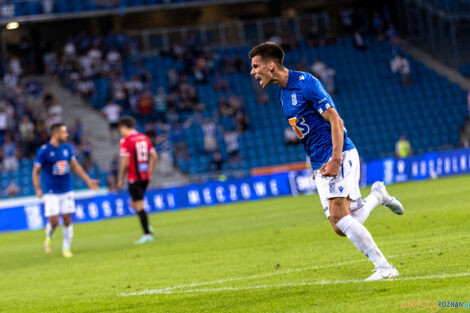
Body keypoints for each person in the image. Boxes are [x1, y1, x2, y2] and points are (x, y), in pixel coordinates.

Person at [249, 41, 405, 281]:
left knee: (341, 218)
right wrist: (317, 164)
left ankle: (385, 268)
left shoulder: (306, 84)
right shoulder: (283, 95)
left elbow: (336, 121)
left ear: (271, 65)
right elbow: (309, 133)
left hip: (339, 155)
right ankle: (378, 196)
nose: (253, 71)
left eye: (256, 65)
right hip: (321, 162)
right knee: (339, 225)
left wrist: (334, 159)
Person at [32, 123, 99, 258]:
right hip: (51, 192)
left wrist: (88, 180)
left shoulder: (67, 148)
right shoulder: (44, 151)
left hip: (67, 190)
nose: (67, 135)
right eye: (64, 132)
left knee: (68, 219)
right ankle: (49, 236)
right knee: (54, 221)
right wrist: (37, 188)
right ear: (56, 134)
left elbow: (75, 166)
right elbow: (35, 171)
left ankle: (66, 248)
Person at [117, 116, 158, 245]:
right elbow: (154, 156)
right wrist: (149, 172)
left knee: (139, 205)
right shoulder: (144, 138)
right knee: (132, 203)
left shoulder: (126, 141)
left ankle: (147, 234)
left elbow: (125, 163)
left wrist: (120, 179)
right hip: (145, 177)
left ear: (124, 127)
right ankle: (146, 224)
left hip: (134, 178)